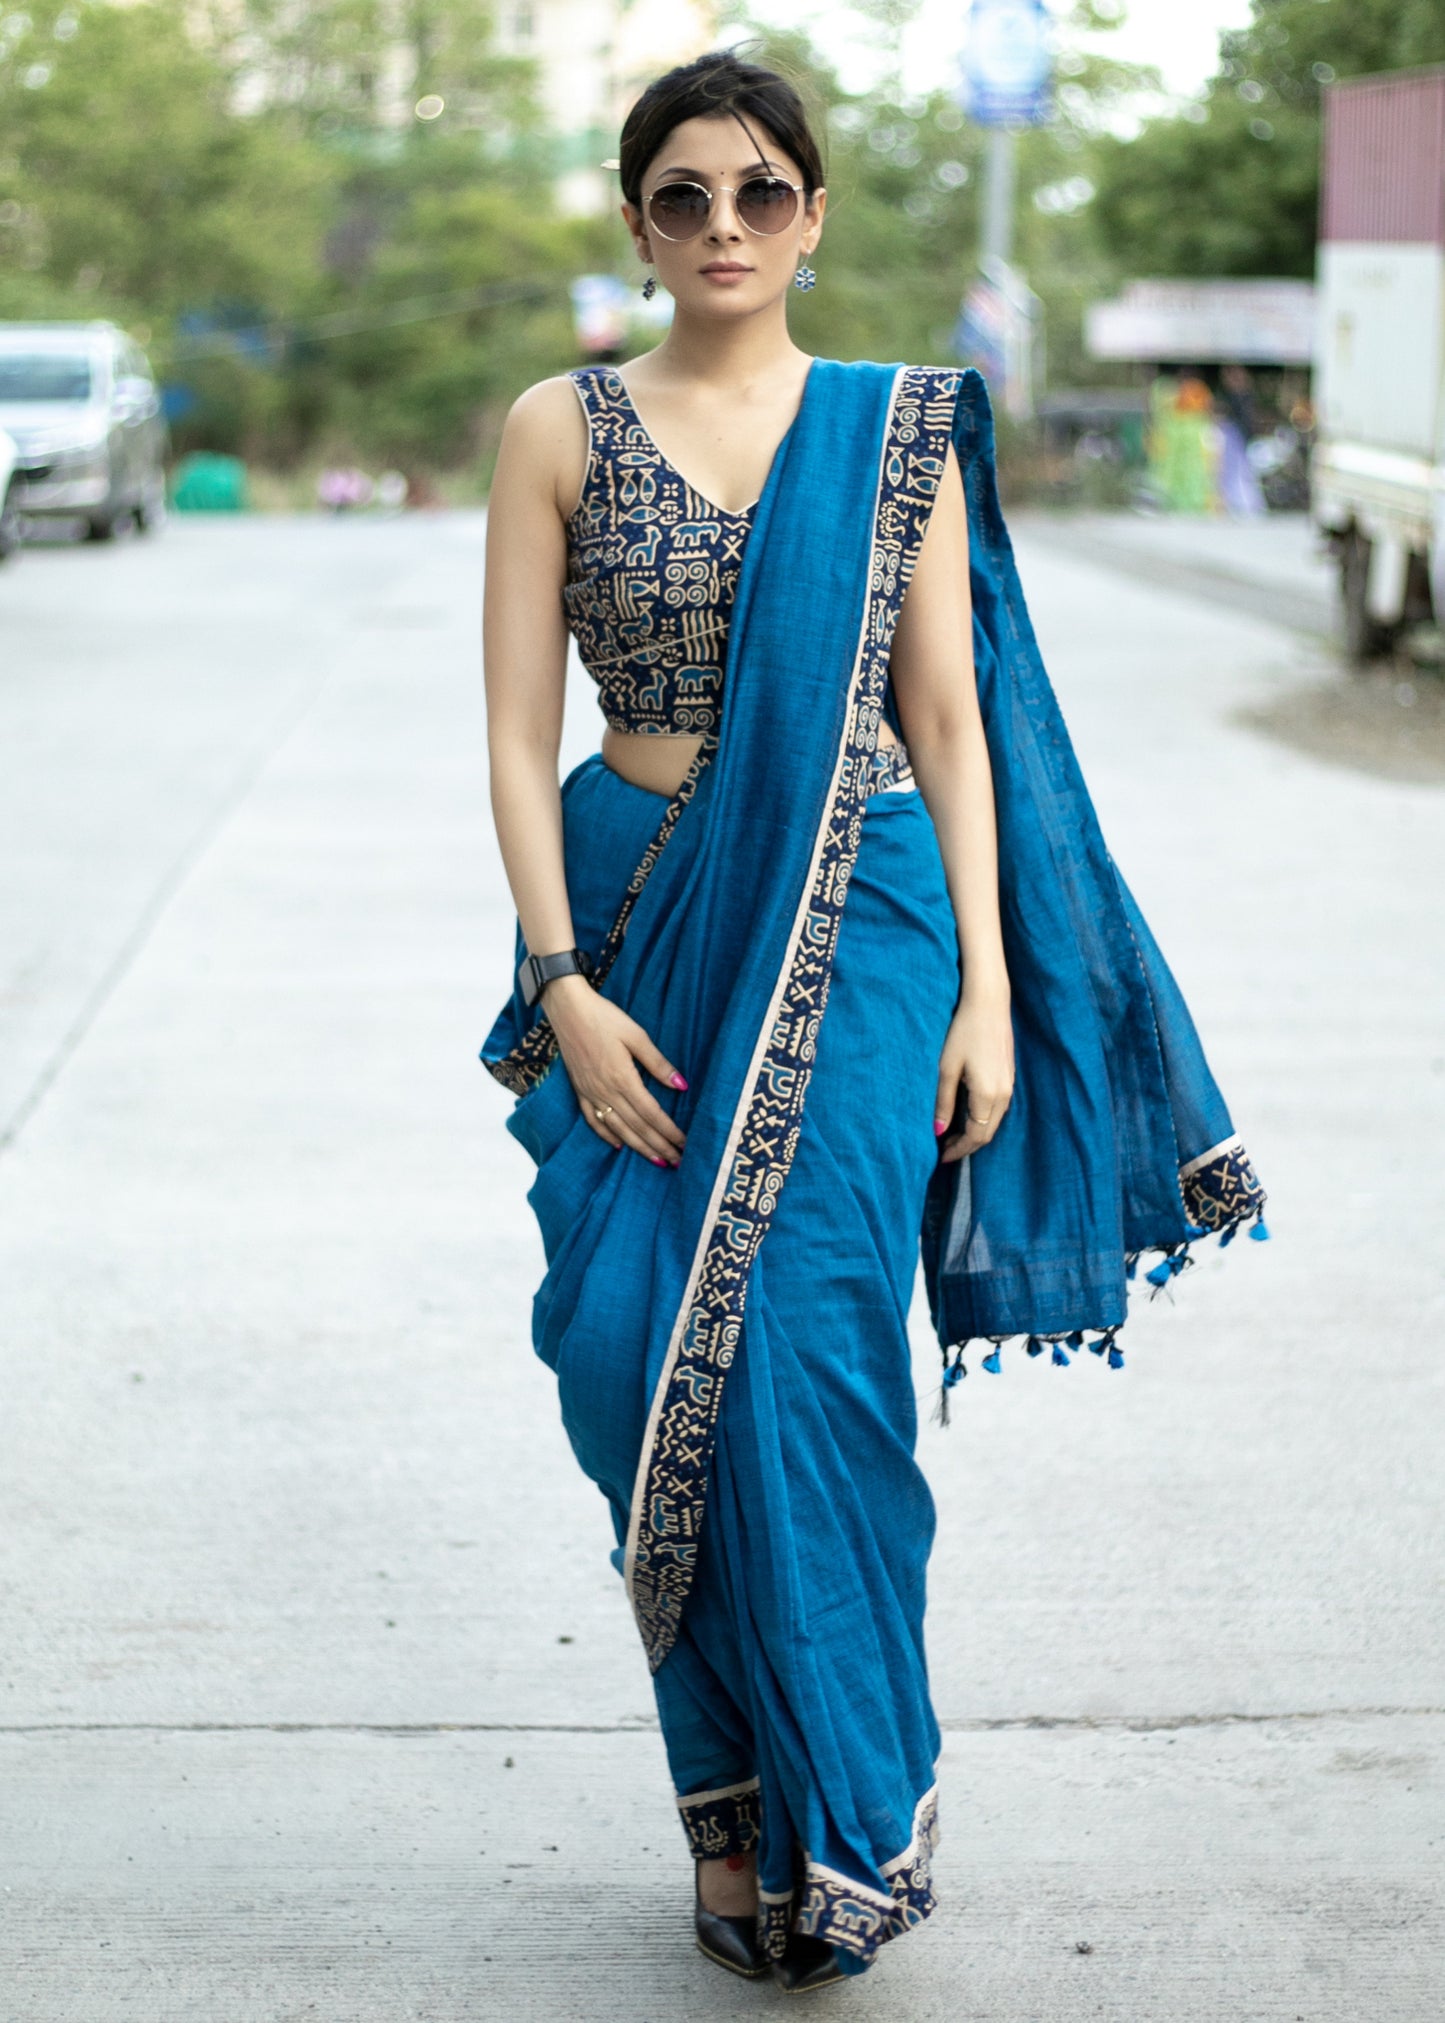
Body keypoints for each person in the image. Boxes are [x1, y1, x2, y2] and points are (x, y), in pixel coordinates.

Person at [481, 51, 1266, 1993]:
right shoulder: (556, 427)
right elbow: (509, 734)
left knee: (807, 1359)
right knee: (621, 1352)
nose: (725, 227)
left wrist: (991, 987)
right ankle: (724, 1797)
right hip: (636, 918)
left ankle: (837, 1818)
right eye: (684, 195)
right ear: (637, 218)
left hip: (873, 924)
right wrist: (562, 985)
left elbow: (944, 723)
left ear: (812, 215)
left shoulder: (888, 431)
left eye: (761, 192)